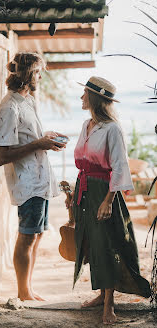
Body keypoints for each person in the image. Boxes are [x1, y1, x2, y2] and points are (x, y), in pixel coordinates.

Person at [66, 76, 151, 324]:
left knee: (108, 244)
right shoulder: (86, 125)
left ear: (94, 98)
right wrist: (73, 193)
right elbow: (83, 165)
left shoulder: (112, 128)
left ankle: (109, 306)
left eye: (84, 93)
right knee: (92, 243)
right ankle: (102, 296)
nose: (81, 97)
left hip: (104, 192)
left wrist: (108, 200)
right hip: (85, 190)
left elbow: (119, 166)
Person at [0, 52, 68, 301]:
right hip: (26, 181)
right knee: (27, 236)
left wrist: (45, 137)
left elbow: (30, 138)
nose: (40, 77)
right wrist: (40, 143)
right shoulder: (10, 106)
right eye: (38, 72)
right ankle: (22, 291)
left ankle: (27, 288)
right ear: (27, 74)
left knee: (36, 236)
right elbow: (2, 156)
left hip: (40, 179)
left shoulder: (28, 101)